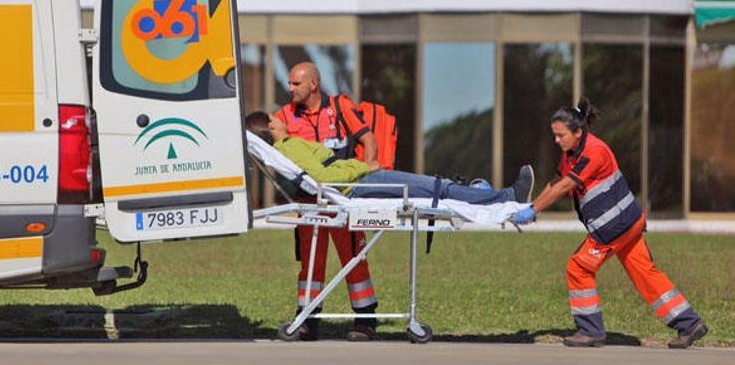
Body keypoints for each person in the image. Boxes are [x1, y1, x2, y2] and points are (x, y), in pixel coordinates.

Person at [512, 97, 708, 349]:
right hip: (628, 222)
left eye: (561, 135)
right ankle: (689, 323)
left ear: (578, 131)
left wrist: (534, 209)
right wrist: (531, 207)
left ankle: (591, 330)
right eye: (555, 135)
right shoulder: (571, 153)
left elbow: (566, 186)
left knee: (578, 267)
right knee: (645, 273)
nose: (556, 140)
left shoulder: (595, 151)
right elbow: (556, 180)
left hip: (613, 227)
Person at [272, 61, 380, 341]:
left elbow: (369, 140)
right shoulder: (284, 116)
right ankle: (307, 319)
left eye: (296, 83)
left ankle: (366, 320)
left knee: (355, 258)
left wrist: (367, 176)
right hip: (309, 203)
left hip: (343, 200)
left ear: (313, 84)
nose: (290, 88)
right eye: (290, 83)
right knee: (310, 264)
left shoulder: (341, 108)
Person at [247, 111, 535, 206]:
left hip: (360, 183)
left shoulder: (284, 151)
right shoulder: (289, 146)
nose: (280, 118)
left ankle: (492, 196)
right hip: (364, 182)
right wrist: (364, 166)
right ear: (272, 127)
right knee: (438, 188)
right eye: (275, 118)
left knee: (439, 187)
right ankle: (507, 197)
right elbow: (322, 178)